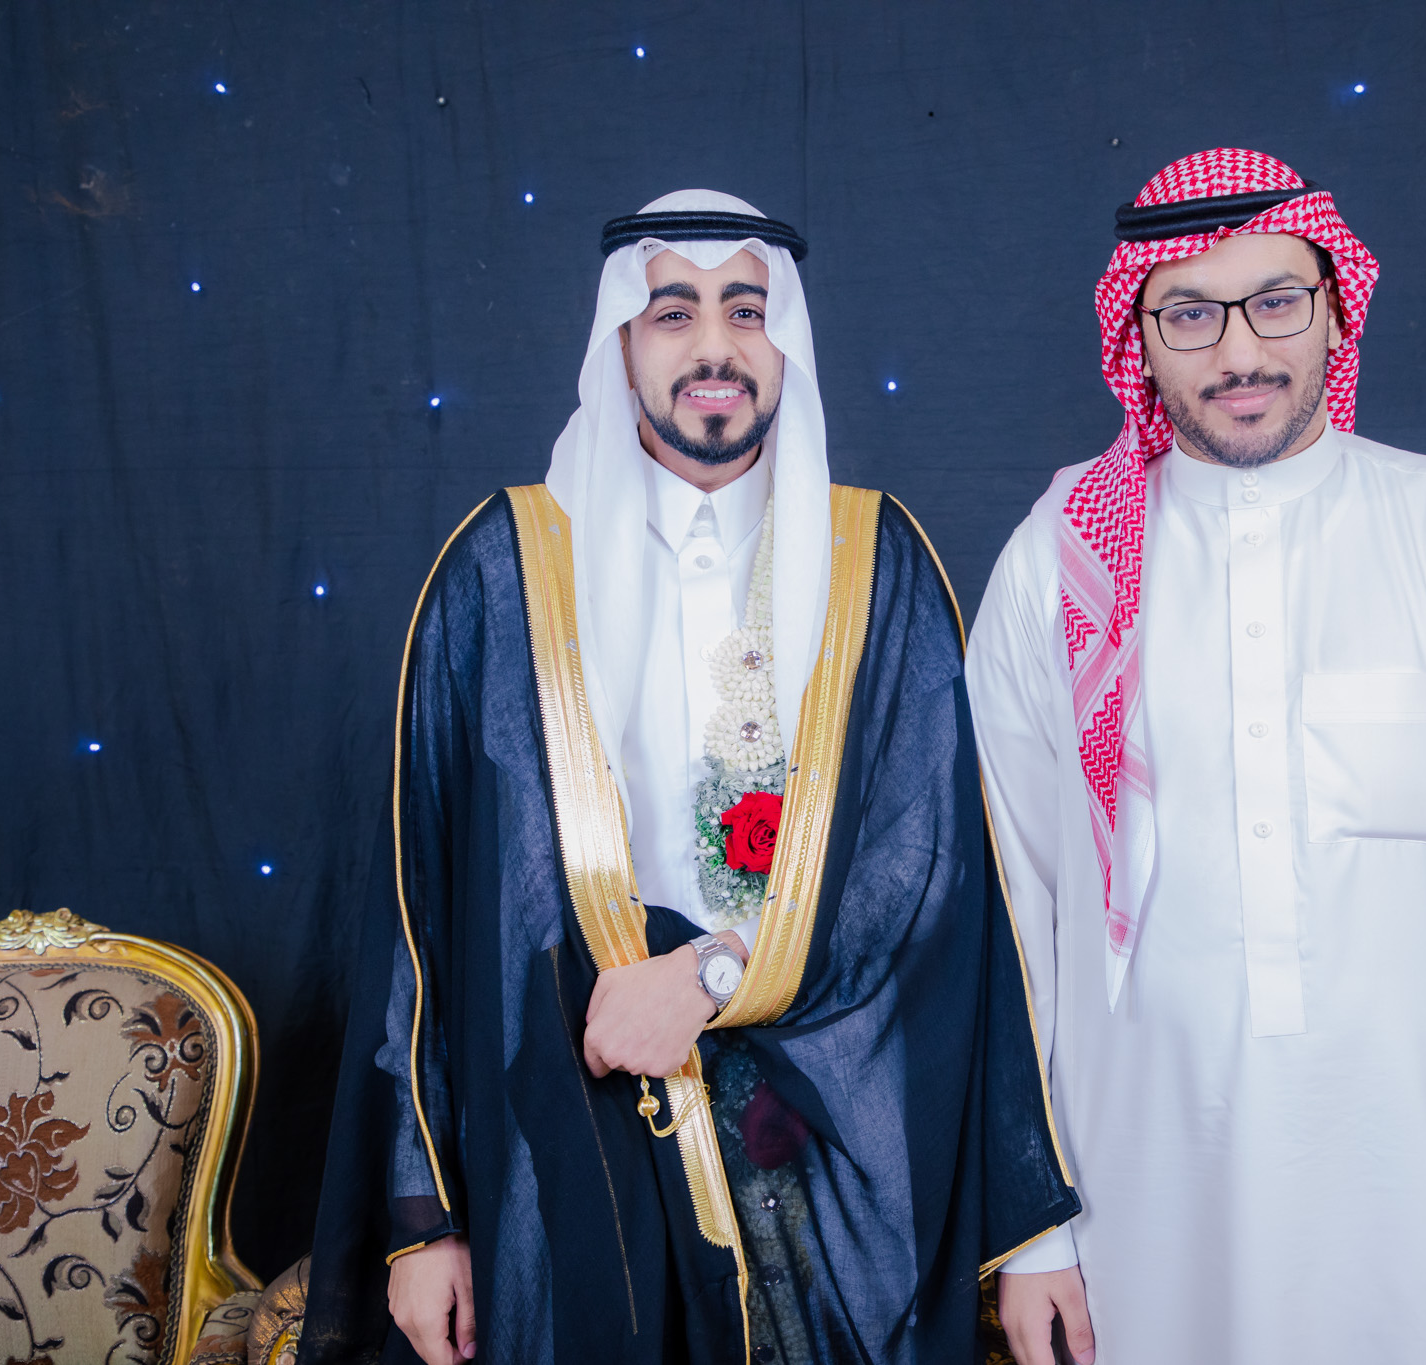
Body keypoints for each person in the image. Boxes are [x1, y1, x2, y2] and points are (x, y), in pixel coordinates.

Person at [299, 190, 1077, 1365]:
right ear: (620, 342)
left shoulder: (878, 564)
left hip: (817, 1147)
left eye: (744, 312)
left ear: (784, 340)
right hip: (565, 1135)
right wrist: (424, 1221)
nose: (714, 346)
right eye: (673, 313)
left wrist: (710, 976)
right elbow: (418, 922)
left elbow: (928, 882)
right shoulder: (500, 571)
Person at [967, 148, 1426, 1364]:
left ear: (1336, 310)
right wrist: (1031, 1232)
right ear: (1139, 339)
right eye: (1190, 314)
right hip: (1141, 1210)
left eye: (1275, 302)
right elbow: (1010, 916)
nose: (1238, 352)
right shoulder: (1056, 565)